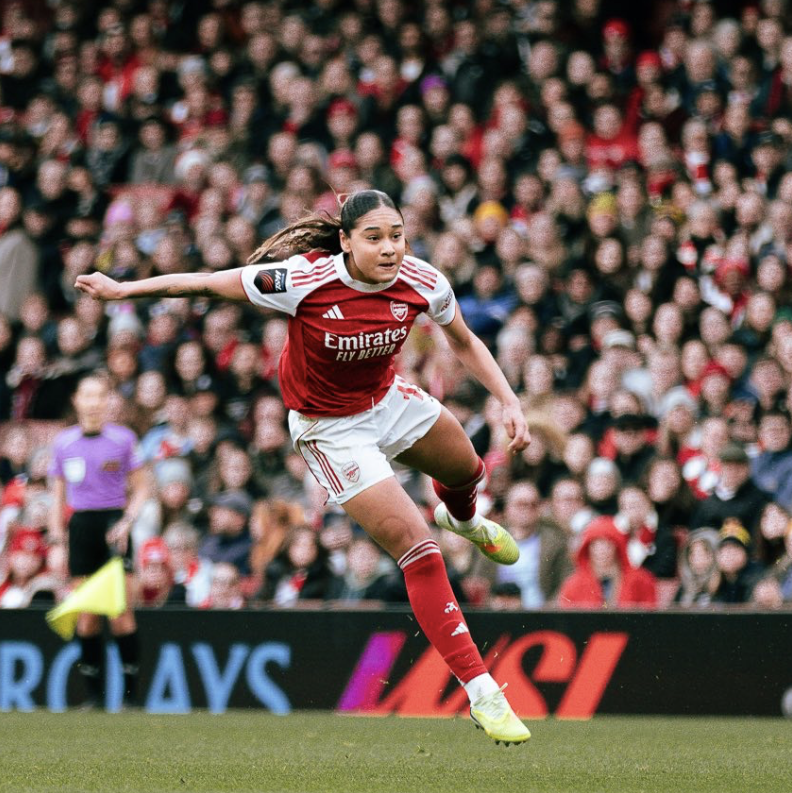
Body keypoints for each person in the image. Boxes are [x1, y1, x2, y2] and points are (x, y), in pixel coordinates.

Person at [76, 188, 534, 745]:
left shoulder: (422, 280)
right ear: (345, 241)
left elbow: (463, 340)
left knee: (468, 471)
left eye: (397, 236)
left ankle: (464, 519)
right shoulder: (303, 280)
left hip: (387, 400)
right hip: (331, 430)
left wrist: (509, 400)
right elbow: (207, 282)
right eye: (374, 237)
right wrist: (123, 290)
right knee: (419, 549)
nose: (390, 248)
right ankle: (482, 692)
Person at [47, 373, 153, 705]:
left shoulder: (123, 439)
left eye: (100, 396)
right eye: (87, 396)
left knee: (121, 612)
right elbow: (57, 498)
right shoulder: (63, 443)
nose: (93, 403)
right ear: (76, 401)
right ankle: (93, 697)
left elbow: (143, 487)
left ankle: (130, 697)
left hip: (113, 526)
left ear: (108, 401)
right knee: (88, 615)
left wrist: (127, 521)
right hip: (81, 527)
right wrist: (57, 542)